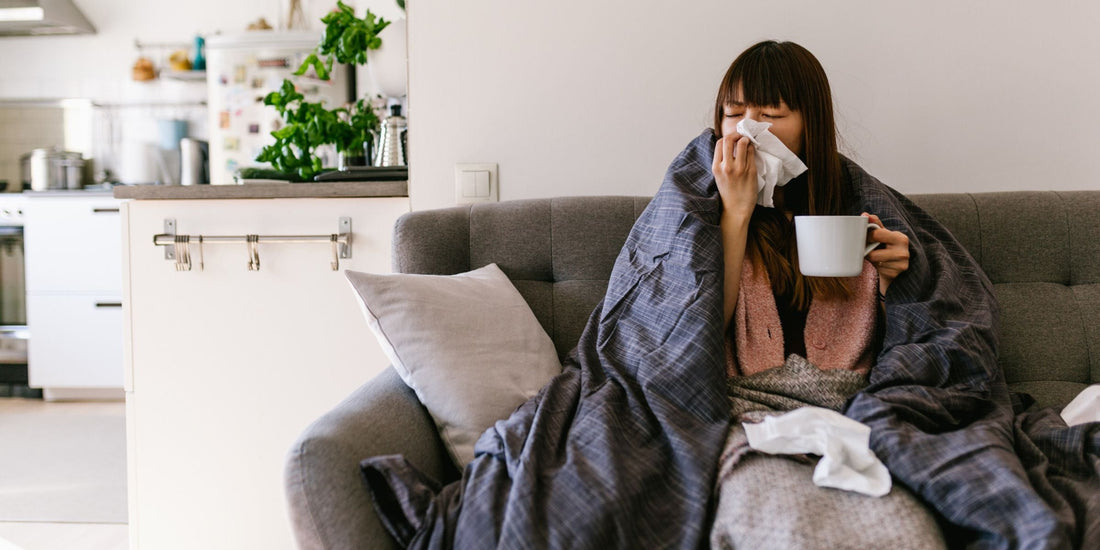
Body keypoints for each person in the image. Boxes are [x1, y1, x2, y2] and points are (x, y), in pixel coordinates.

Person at [710, 40, 910, 372]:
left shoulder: (857, 204)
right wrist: (736, 212)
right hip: (746, 403)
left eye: (770, 113)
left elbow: (904, 345)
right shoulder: (699, 209)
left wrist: (892, 282)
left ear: (811, 122)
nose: (746, 129)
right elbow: (695, 335)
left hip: (849, 400)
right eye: (733, 113)